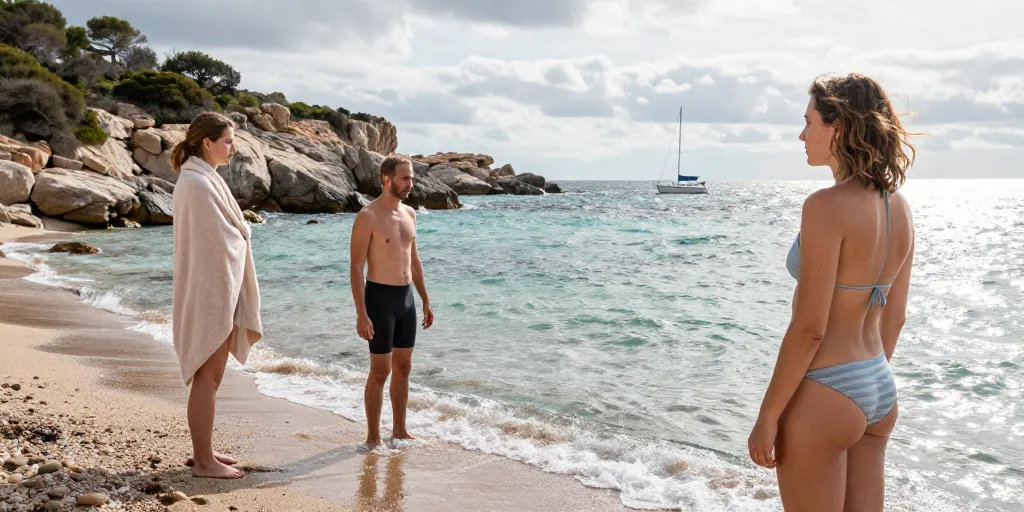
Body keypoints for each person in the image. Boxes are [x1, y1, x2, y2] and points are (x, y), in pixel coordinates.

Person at [748, 73, 916, 511]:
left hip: (827, 388)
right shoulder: (898, 206)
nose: (801, 135)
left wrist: (768, 417)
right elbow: (894, 316)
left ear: (837, 126)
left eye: (809, 122)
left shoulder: (824, 207)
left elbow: (810, 328)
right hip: (879, 385)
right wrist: (865, 386)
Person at [171, 112, 263, 479]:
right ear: (207, 143)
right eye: (227, 140)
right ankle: (204, 462)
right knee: (206, 377)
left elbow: (221, 236)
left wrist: (238, 237)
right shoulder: (195, 183)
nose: (233, 147)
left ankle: (204, 450)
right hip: (209, 291)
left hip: (214, 288)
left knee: (213, 376)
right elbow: (215, 241)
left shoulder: (203, 178)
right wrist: (242, 237)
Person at [349, 155, 434, 450]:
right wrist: (361, 313)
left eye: (411, 178)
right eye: (404, 178)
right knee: (381, 370)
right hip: (379, 298)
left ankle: (399, 430)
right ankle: (373, 436)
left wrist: (424, 299)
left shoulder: (410, 214)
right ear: (387, 179)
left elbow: (415, 261)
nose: (410, 183)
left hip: (405, 298)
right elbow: (356, 268)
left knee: (404, 367)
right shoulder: (368, 216)